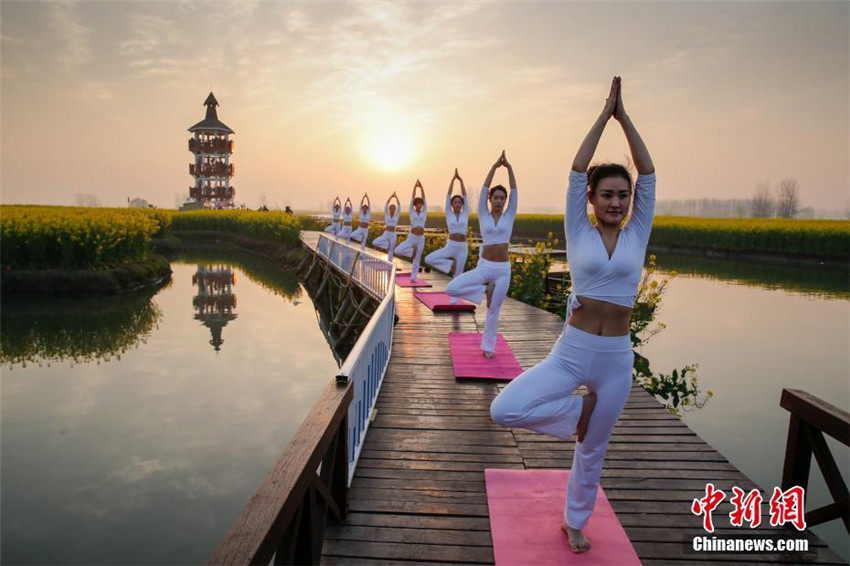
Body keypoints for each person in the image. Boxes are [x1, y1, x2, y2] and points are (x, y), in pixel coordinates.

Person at [489, 77, 656, 554]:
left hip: (615, 358)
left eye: (623, 195)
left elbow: (648, 173)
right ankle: (577, 413)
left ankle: (575, 521)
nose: (616, 202)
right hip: (572, 351)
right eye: (607, 194)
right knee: (505, 408)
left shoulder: (637, 232)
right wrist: (604, 115)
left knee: (593, 448)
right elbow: (577, 169)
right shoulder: (578, 229)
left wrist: (625, 118)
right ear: (591, 198)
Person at [445, 151, 517, 357]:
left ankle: (488, 348)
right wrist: (494, 167)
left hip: (502, 270)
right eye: (496, 197)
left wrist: (509, 168)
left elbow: (514, 190)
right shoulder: (483, 214)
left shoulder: (509, 215)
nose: (499, 201)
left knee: (493, 310)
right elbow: (485, 188)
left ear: (506, 201)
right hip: (484, 268)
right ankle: (485, 290)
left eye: (502, 198)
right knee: (452, 288)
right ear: (490, 199)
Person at [424, 169, 469, 303]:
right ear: (451, 205)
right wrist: (453, 180)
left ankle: (454, 299)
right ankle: (449, 265)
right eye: (455, 202)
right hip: (451, 246)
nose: (457, 204)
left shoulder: (465, 213)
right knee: (428, 259)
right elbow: (448, 196)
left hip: (462, 248)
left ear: (462, 205)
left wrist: (461, 181)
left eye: (459, 202)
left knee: (458, 275)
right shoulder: (449, 213)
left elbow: (465, 196)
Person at [394, 180, 427, 281]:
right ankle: (411, 253)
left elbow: (425, 199)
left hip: (421, 239)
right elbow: (412, 198)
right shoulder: (411, 211)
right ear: (414, 205)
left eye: (420, 204)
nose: (419, 205)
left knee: (417, 259)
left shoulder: (424, 212)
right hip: (412, 238)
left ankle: (413, 277)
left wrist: (421, 187)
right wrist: (415, 188)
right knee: (397, 250)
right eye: (417, 204)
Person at [372, 192, 402, 261]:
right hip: (386, 233)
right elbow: (386, 204)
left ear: (395, 209)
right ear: (389, 209)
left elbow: (399, 206)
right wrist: (391, 196)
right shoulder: (386, 214)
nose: (393, 209)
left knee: (391, 251)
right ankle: (386, 245)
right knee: (375, 242)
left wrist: (396, 197)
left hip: (393, 234)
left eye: (394, 208)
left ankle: (389, 264)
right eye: (391, 208)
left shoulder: (396, 215)